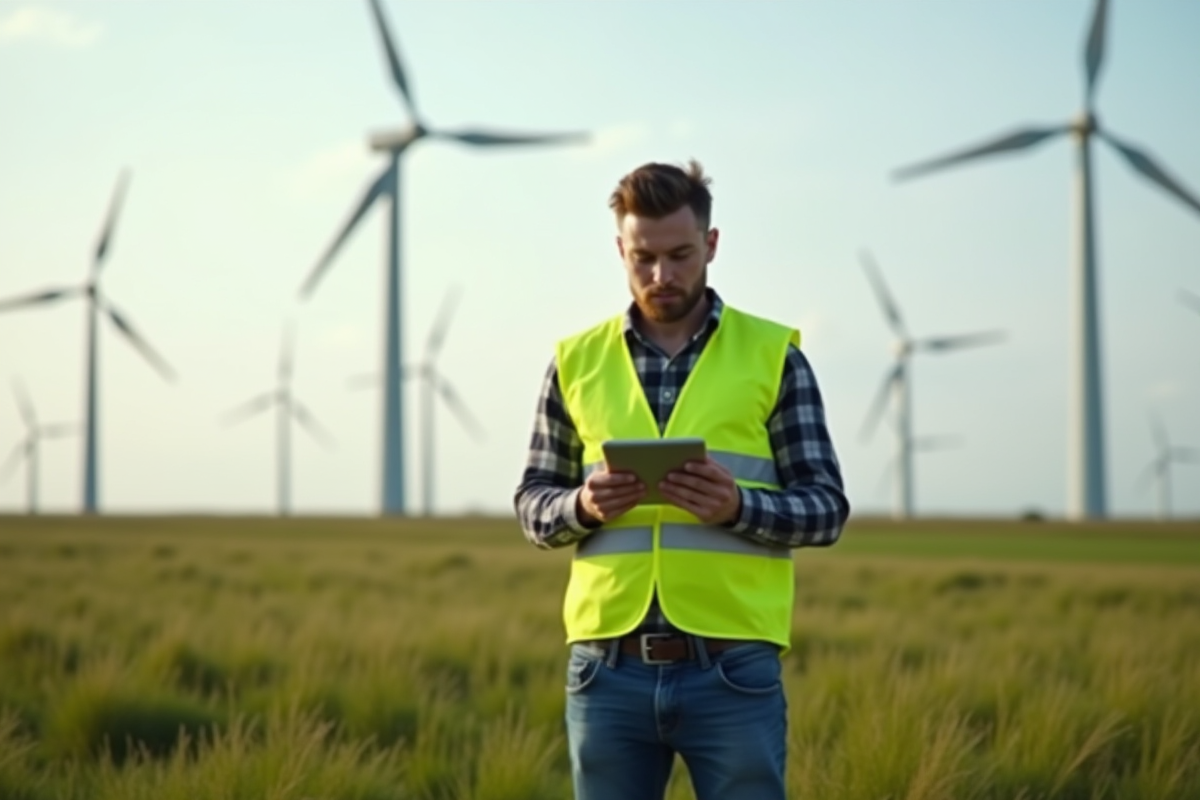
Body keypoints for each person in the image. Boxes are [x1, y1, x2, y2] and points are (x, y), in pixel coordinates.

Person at [513, 159, 850, 800]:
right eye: (643, 258)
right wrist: (581, 507)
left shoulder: (774, 356)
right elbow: (532, 503)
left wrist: (738, 507)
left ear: (712, 245)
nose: (662, 275)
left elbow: (827, 508)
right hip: (605, 672)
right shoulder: (574, 362)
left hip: (733, 670)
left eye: (680, 254)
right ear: (620, 249)